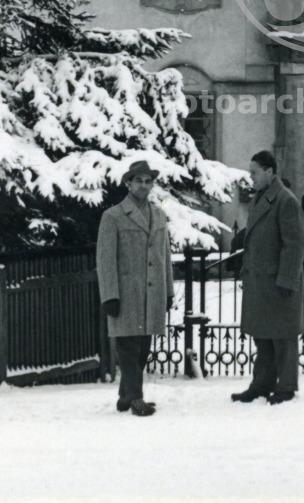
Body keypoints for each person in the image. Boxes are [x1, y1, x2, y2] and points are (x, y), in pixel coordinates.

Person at [96, 160, 174, 417]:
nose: (144, 185)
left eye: (148, 181)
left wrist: (169, 290)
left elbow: (165, 255)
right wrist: (110, 295)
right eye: (138, 180)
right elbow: (105, 260)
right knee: (128, 348)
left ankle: (124, 395)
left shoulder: (159, 214)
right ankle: (137, 398)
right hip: (126, 295)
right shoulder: (113, 216)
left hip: (152, 294)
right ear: (128, 183)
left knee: (143, 348)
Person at [232, 151, 304, 405]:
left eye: (254, 172)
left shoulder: (286, 201)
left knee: (283, 337)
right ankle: (261, 384)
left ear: (269, 171)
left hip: (278, 282)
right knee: (262, 335)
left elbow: (295, 244)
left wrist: (288, 279)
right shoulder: (261, 199)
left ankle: (286, 386)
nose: (250, 177)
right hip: (261, 282)